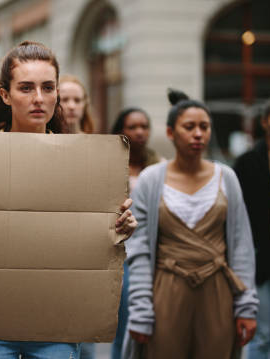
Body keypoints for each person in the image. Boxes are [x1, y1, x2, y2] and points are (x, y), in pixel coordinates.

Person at [0, 41, 137, 359]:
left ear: (57, 93)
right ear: (5, 95)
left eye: (47, 87)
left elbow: (93, 256)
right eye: (26, 88)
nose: (39, 98)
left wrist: (119, 230)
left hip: (55, 325)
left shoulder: (81, 165)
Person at [125, 89, 259, 359]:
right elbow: (139, 249)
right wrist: (140, 309)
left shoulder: (227, 177)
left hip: (218, 290)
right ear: (171, 133)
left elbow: (241, 244)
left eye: (204, 127)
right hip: (165, 289)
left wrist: (246, 306)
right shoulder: (151, 180)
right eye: (189, 127)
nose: (198, 134)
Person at [235, 96, 270, 359]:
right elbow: (238, 211)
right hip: (258, 258)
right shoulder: (248, 162)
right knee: (261, 336)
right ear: (265, 122)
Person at [109, 107, 161, 359]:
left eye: (144, 126)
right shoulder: (110, 164)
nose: (140, 132)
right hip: (122, 253)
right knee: (125, 324)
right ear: (121, 131)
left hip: (153, 251)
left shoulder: (160, 166)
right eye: (133, 127)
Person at [59, 75, 96, 359]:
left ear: (85, 105)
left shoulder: (99, 150)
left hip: (87, 259)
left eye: (77, 100)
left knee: (86, 342)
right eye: (64, 99)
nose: (70, 106)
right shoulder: (36, 146)